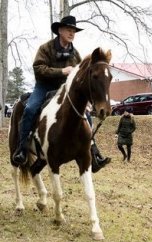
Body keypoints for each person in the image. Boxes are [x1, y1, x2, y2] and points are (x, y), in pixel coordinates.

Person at [13, 16, 110, 171]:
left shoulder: (76, 54)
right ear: (60, 30)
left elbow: (81, 79)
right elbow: (38, 68)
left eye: (74, 31)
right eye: (69, 30)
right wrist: (62, 71)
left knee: (86, 115)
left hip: (64, 89)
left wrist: (87, 101)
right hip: (44, 87)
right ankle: (22, 148)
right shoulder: (45, 48)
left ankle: (93, 151)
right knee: (30, 109)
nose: (72, 33)